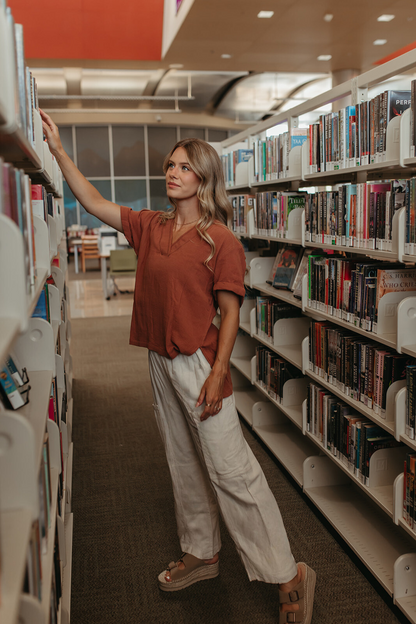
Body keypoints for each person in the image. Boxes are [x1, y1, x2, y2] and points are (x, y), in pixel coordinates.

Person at [40, 110, 316, 623]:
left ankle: (288, 574)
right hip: (159, 358)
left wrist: (217, 372)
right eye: (169, 165)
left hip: (199, 363)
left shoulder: (222, 241)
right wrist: (58, 152)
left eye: (184, 166)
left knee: (234, 472)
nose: (172, 172)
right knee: (183, 461)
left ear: (203, 178)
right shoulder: (151, 225)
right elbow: (94, 201)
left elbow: (231, 312)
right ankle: (203, 553)